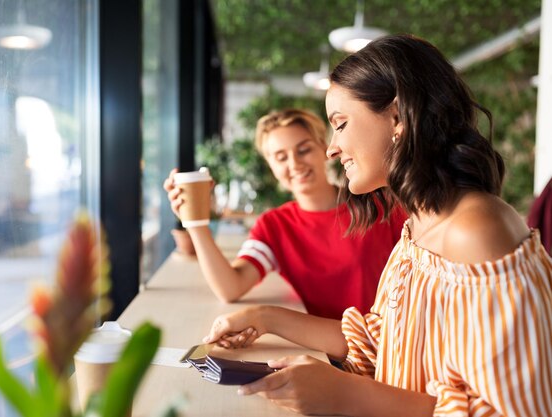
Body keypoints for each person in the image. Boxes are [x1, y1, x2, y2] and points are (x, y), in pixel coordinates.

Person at [202, 34, 552, 416]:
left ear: (397, 117)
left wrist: (343, 395)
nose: (332, 148)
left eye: (340, 124)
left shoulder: (478, 230)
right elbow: (380, 342)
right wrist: (264, 317)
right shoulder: (419, 225)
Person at [164, 109, 407, 320]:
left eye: (303, 150)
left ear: (324, 147)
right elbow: (230, 287)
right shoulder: (275, 226)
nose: (295, 163)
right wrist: (195, 222)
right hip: (319, 353)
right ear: (271, 166)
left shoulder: (381, 204)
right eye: (281, 157)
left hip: (381, 350)